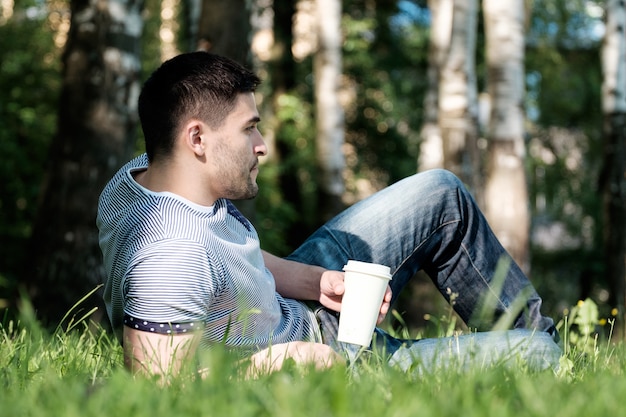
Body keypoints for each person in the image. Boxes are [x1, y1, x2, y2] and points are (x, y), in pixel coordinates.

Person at [97, 51, 561, 378]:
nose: (262, 146)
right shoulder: (167, 257)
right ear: (196, 139)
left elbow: (238, 259)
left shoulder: (143, 175)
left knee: (441, 193)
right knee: (538, 356)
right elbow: (158, 383)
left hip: (296, 311)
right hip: (323, 363)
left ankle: (531, 334)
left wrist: (323, 283)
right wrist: (273, 363)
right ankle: (548, 354)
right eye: (249, 129)